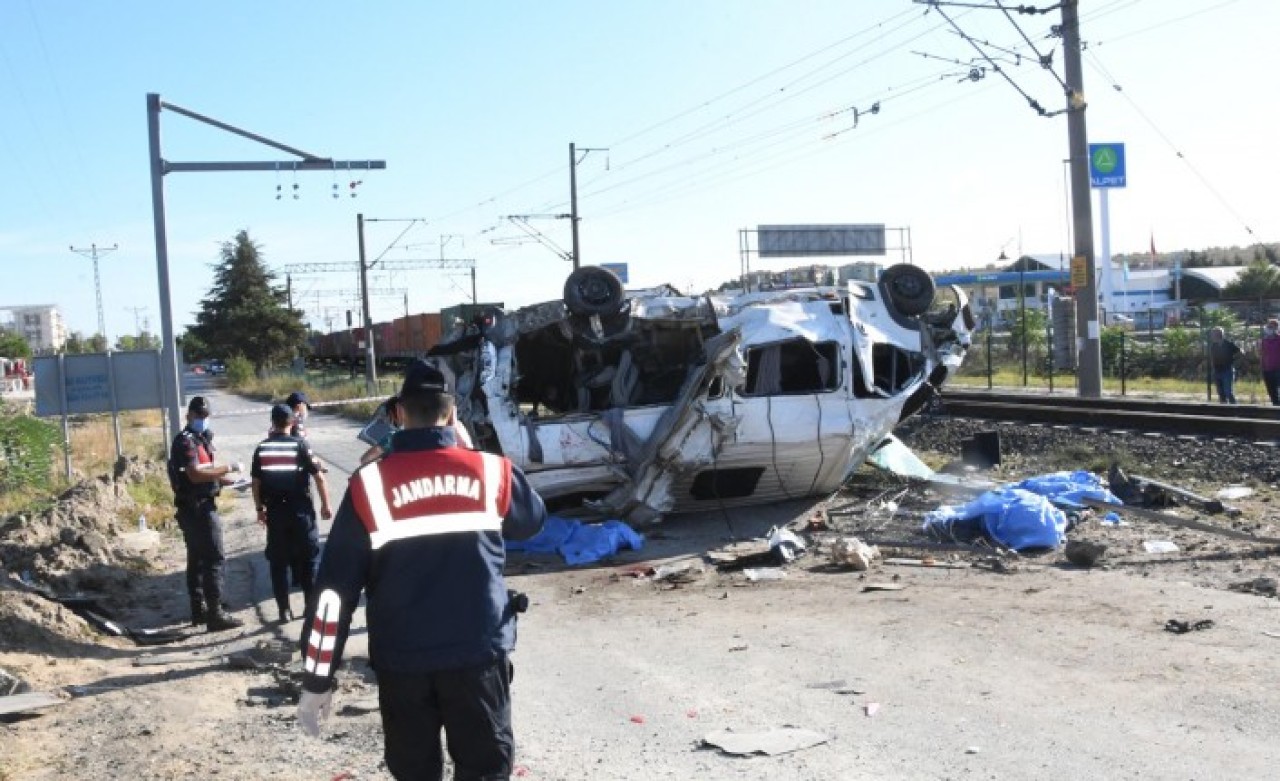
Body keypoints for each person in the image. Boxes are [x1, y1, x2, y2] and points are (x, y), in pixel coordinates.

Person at [296, 360, 546, 780]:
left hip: (403, 662)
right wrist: (470, 452)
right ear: (452, 414)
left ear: (398, 414)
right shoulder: (490, 471)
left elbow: (333, 594)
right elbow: (531, 520)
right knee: (485, 770)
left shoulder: (368, 484)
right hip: (477, 657)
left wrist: (317, 678)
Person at [166, 396, 245, 631]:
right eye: (198, 415)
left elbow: (207, 472)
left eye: (205, 416)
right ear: (189, 415)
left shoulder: (202, 439)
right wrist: (229, 466)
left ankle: (200, 609)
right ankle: (215, 613)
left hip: (197, 505)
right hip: (197, 507)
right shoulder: (186, 441)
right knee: (214, 558)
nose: (202, 420)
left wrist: (229, 482)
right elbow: (194, 474)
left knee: (198, 558)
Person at [251, 404, 333, 623]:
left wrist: (260, 509)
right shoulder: (300, 445)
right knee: (308, 558)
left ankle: (284, 610)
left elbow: (256, 483)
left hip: (276, 512)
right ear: (291, 422)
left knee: (278, 562)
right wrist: (326, 505)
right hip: (300, 511)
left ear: (273, 422)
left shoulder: (262, 448)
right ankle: (309, 607)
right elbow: (319, 477)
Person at [1208, 326, 1242, 404]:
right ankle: (1224, 412)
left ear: (1218, 335)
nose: (1212, 336)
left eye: (1213, 334)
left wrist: (1234, 360)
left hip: (1227, 370)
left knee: (1228, 392)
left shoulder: (1229, 344)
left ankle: (1235, 411)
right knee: (1221, 394)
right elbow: (1212, 358)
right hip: (1217, 371)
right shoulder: (1213, 346)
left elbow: (1240, 352)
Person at [1260, 319, 1280, 405]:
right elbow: (1261, 354)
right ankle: (1275, 410)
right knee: (1271, 392)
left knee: (1277, 390)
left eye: (1271, 327)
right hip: (1267, 369)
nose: (1268, 328)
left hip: (1277, 369)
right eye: (1268, 326)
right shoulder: (1264, 340)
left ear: (1276, 328)